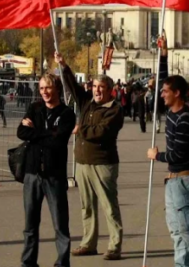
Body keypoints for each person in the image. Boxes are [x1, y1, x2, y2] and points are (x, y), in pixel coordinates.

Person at [146, 36, 189, 267]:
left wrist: (157, 156)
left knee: (188, 229)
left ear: (178, 94)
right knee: (176, 230)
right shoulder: (173, 113)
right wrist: (163, 54)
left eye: (166, 92)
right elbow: (163, 80)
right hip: (173, 180)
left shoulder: (185, 119)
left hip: (184, 179)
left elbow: (179, 155)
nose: (161, 94)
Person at [57, 52, 124, 261]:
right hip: (83, 162)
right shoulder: (87, 103)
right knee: (87, 205)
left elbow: (102, 131)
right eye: (95, 87)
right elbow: (73, 88)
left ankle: (114, 245)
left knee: (108, 206)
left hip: (103, 163)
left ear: (109, 91)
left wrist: (81, 129)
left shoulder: (114, 110)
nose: (97, 90)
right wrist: (64, 66)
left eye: (101, 88)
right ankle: (89, 242)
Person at [18, 74, 76, 267]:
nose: (44, 92)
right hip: (32, 173)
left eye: (48, 88)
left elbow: (58, 142)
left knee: (60, 225)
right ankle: (28, 262)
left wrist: (36, 133)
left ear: (57, 89)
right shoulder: (34, 108)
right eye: (41, 88)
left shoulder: (67, 114)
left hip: (54, 175)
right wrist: (47, 133)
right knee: (30, 225)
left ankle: (62, 262)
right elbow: (21, 132)